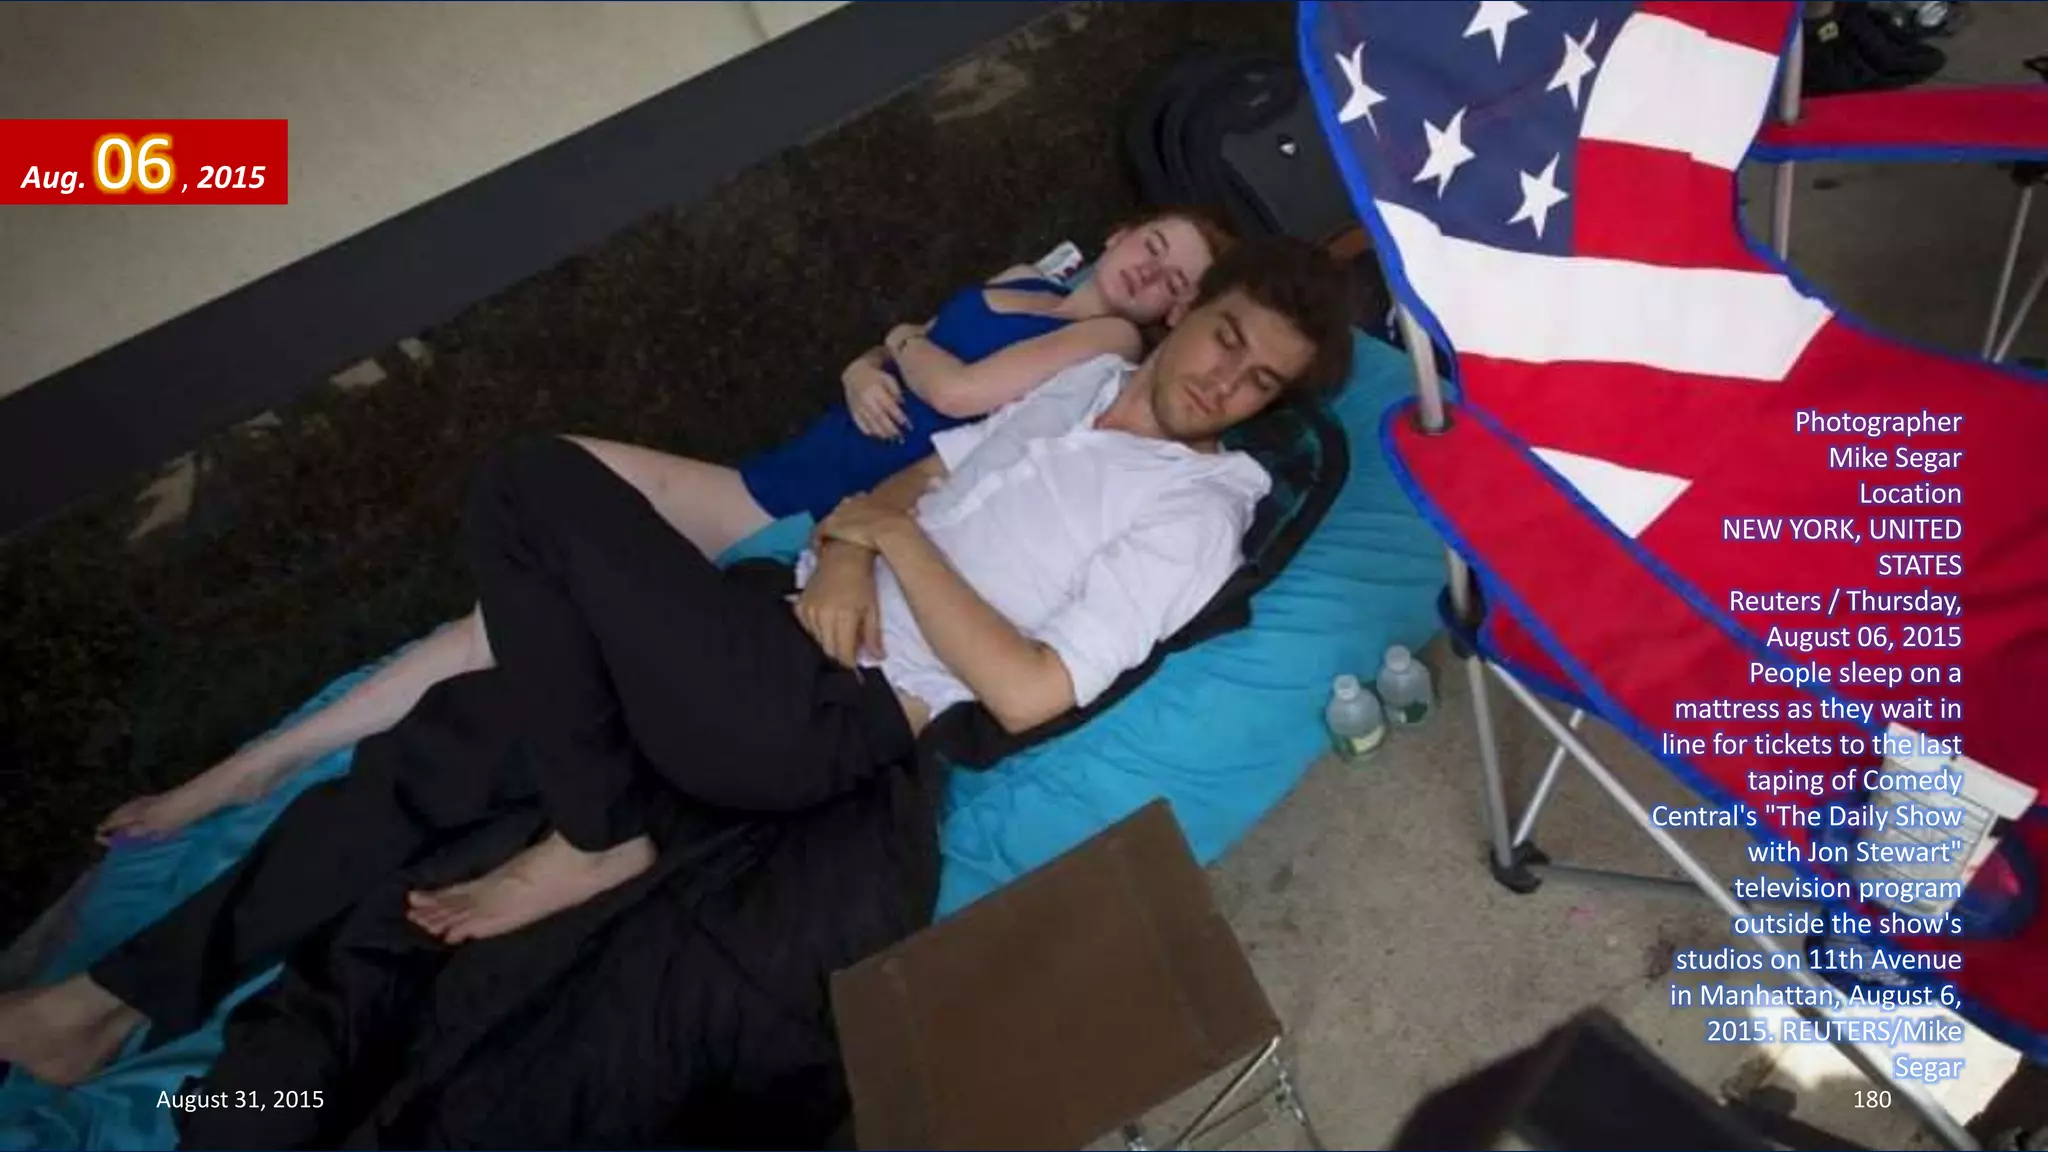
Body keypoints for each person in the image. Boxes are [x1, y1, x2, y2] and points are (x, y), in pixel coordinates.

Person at [0, 236, 1354, 1095]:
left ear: (1272, 409)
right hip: (783, 620)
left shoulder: (1199, 511)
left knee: (535, 486)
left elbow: (1026, 693)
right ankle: (101, 1007)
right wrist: (846, 547)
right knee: (454, 749)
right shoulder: (1070, 386)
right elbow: (896, 497)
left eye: (1260, 382)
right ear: (1192, 317)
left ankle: (598, 835)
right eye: (1224, 336)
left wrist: (886, 542)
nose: (1225, 380)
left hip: (834, 718)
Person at [92, 207, 1232, 847]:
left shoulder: (1109, 356)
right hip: (784, 470)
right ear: (1124, 227)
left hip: (790, 516)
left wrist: (895, 358)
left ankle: (265, 768)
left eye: (1171, 276)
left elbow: (951, 392)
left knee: (531, 542)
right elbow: (900, 340)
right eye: (1152, 240)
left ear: (1177, 315)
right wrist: (864, 355)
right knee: (520, 564)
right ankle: (270, 761)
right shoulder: (1031, 271)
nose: (1147, 265)